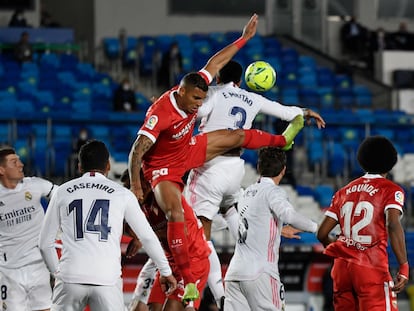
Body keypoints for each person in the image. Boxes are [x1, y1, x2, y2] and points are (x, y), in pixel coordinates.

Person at [128, 13, 304, 303]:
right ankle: (187, 280)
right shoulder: (161, 112)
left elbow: (215, 63)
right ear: (181, 92)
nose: (199, 104)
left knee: (235, 136)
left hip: (188, 149)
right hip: (162, 169)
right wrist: (137, 183)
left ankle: (282, 140)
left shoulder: (197, 86)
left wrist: (244, 38)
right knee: (177, 213)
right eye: (196, 100)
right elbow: (138, 149)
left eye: (202, 99)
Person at [184, 60, 325, 307]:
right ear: (241, 81)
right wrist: (304, 113)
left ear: (218, 79)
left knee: (199, 232)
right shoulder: (252, 98)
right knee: (231, 211)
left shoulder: (215, 94)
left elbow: (195, 111)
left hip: (210, 166)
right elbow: (284, 111)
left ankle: (210, 294)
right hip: (235, 169)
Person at [39, 140, 176, 311]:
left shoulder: (62, 191)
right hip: (107, 280)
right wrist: (165, 271)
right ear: (108, 166)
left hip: (70, 278)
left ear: (80, 166)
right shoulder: (122, 194)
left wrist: (57, 274)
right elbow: (147, 237)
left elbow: (44, 243)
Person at [317, 136, 409, 311]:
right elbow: (393, 224)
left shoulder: (343, 192)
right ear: (391, 162)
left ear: (361, 161)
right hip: (371, 269)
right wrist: (404, 266)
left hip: (341, 271)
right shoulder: (391, 190)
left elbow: (322, 234)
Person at [223, 147, 318, 311]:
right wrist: (317, 227)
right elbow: (289, 216)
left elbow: (248, 224)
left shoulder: (246, 193)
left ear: (259, 168)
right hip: (261, 273)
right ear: (283, 170)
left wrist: (279, 230)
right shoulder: (272, 192)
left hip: (234, 274)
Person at [123, 169, 210, 311]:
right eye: (129, 187)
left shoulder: (164, 195)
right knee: (153, 308)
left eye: (137, 185)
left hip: (192, 259)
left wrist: (146, 236)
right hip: (169, 263)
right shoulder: (142, 205)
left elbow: (181, 233)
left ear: (146, 182)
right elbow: (132, 230)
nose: (135, 191)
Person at [0, 145, 58, 311]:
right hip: (9, 272)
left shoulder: (35, 185)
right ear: (1, 170)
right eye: (14, 162)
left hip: (38, 268)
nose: (21, 164)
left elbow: (63, 196)